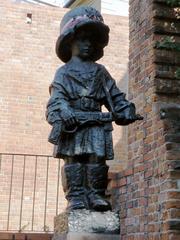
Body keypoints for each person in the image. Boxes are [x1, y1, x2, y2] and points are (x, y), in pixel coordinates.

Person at [46, 6, 142, 212]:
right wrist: (64, 111)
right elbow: (56, 99)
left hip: (97, 125)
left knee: (96, 160)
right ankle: (77, 197)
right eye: (82, 39)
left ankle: (96, 194)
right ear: (70, 41)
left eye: (91, 40)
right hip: (73, 125)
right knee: (74, 161)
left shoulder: (101, 72)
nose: (87, 44)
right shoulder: (62, 73)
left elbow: (115, 96)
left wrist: (125, 110)